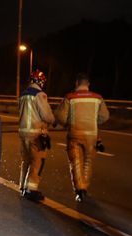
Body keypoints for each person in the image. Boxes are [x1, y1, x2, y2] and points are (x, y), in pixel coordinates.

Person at [53, 73, 110, 202]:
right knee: (88, 163)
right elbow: (105, 116)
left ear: (76, 83)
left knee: (76, 162)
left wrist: (67, 123)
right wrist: (93, 121)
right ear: (88, 84)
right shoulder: (98, 98)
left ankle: (80, 190)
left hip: (75, 134)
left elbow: (60, 116)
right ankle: (85, 188)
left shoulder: (70, 97)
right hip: (92, 135)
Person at [18, 69, 55, 202]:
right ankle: (31, 189)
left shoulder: (23, 95)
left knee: (26, 161)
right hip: (35, 134)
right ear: (41, 81)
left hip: (23, 133)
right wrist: (53, 120)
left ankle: (22, 187)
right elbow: (46, 115)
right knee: (37, 161)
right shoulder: (40, 95)